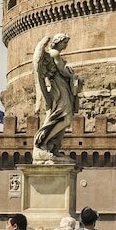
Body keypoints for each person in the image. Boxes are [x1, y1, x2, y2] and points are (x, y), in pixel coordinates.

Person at [31, 32, 81, 160]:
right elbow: (62, 70)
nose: (66, 45)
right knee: (65, 117)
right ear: (58, 42)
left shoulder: (54, 54)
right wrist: (72, 76)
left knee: (63, 117)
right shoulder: (54, 53)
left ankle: (53, 146)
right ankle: (42, 143)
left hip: (62, 86)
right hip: (58, 88)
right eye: (64, 42)